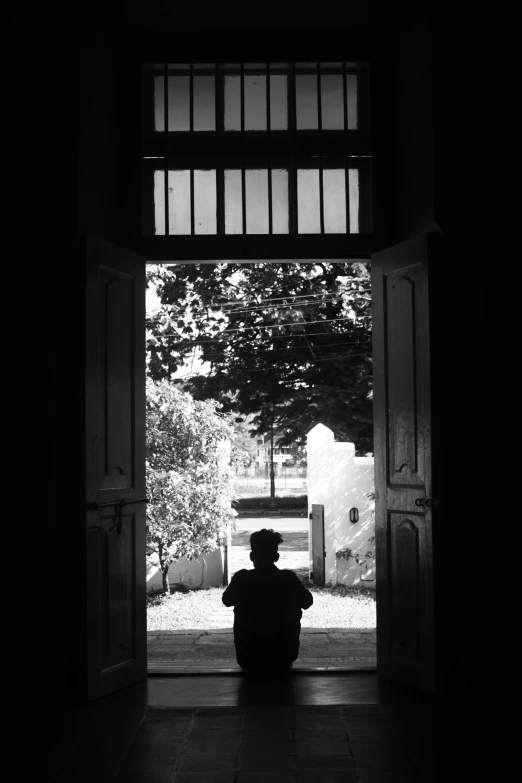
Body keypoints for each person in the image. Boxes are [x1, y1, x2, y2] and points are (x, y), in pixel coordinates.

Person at [222, 528, 313, 676]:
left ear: (252, 556)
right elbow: (307, 602)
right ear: (276, 557)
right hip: (283, 656)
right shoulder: (288, 579)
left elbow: (227, 600)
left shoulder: (242, 578)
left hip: (249, 657)